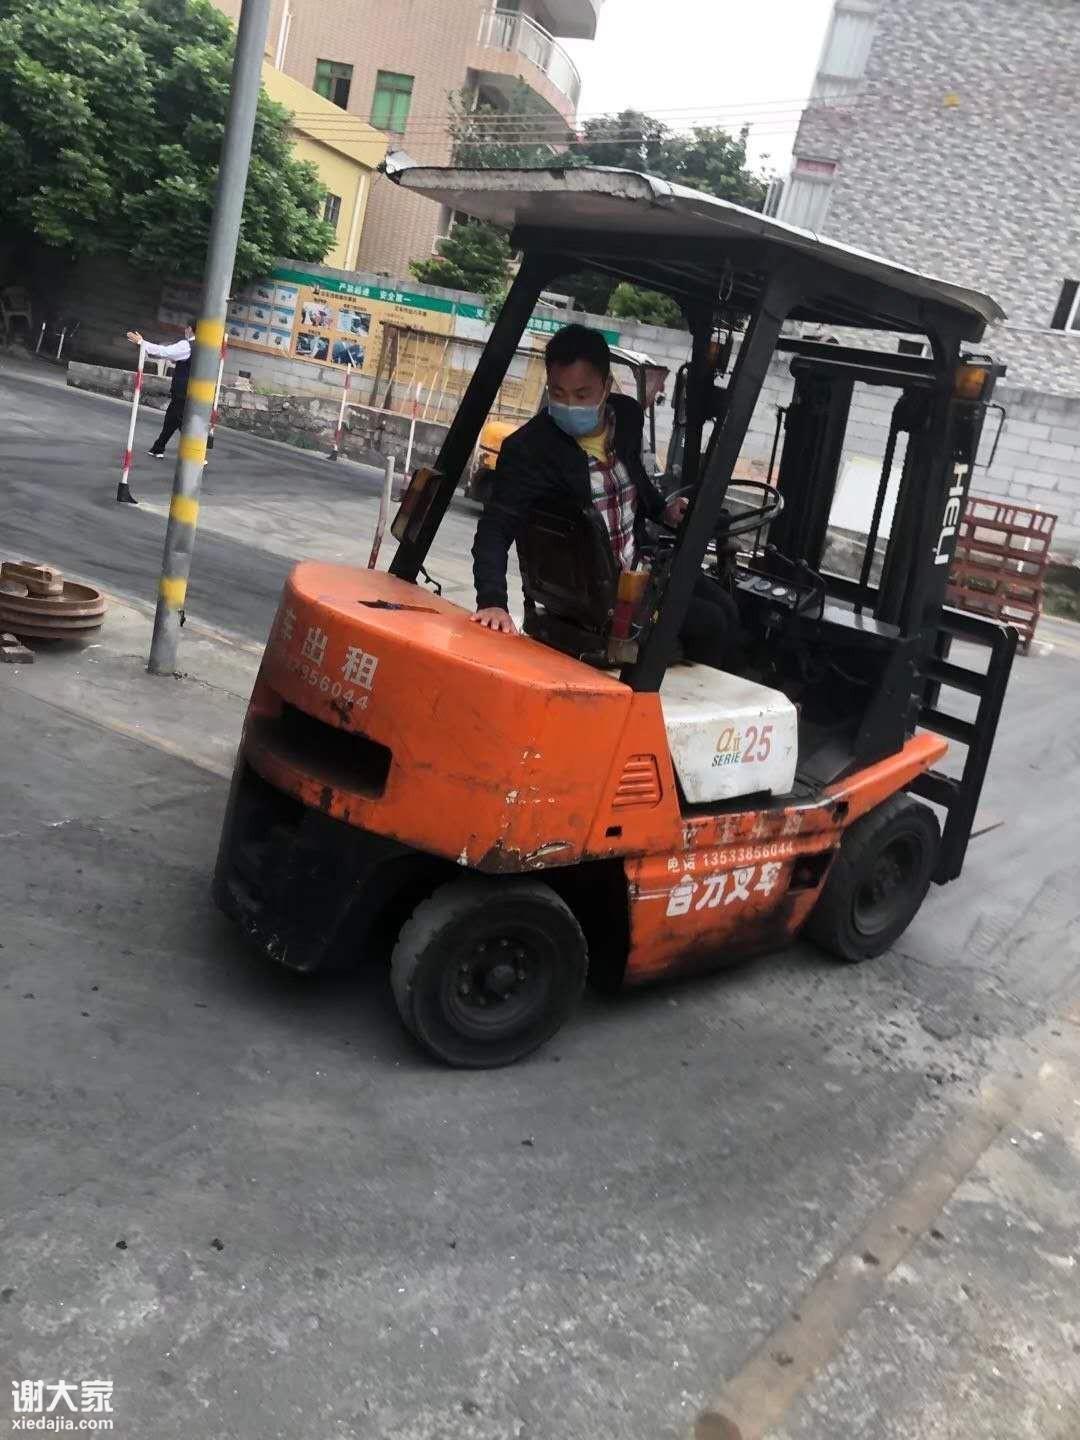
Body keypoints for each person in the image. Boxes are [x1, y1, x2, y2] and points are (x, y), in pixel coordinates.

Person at [470, 324, 740, 668]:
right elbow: (495, 528)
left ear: (606, 386)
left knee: (728, 606)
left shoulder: (625, 418)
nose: (569, 404)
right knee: (712, 624)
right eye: (558, 393)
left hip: (638, 568)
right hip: (592, 593)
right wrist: (492, 600)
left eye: (582, 394)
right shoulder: (530, 449)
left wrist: (664, 511)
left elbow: (635, 477)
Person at [125, 320, 195, 457]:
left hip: (183, 390)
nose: (185, 331)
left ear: (190, 329)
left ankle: (197, 452)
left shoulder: (187, 345)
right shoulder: (204, 347)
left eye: (186, 328)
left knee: (179, 420)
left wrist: (142, 342)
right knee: (172, 419)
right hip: (192, 391)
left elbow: (163, 351)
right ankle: (158, 448)